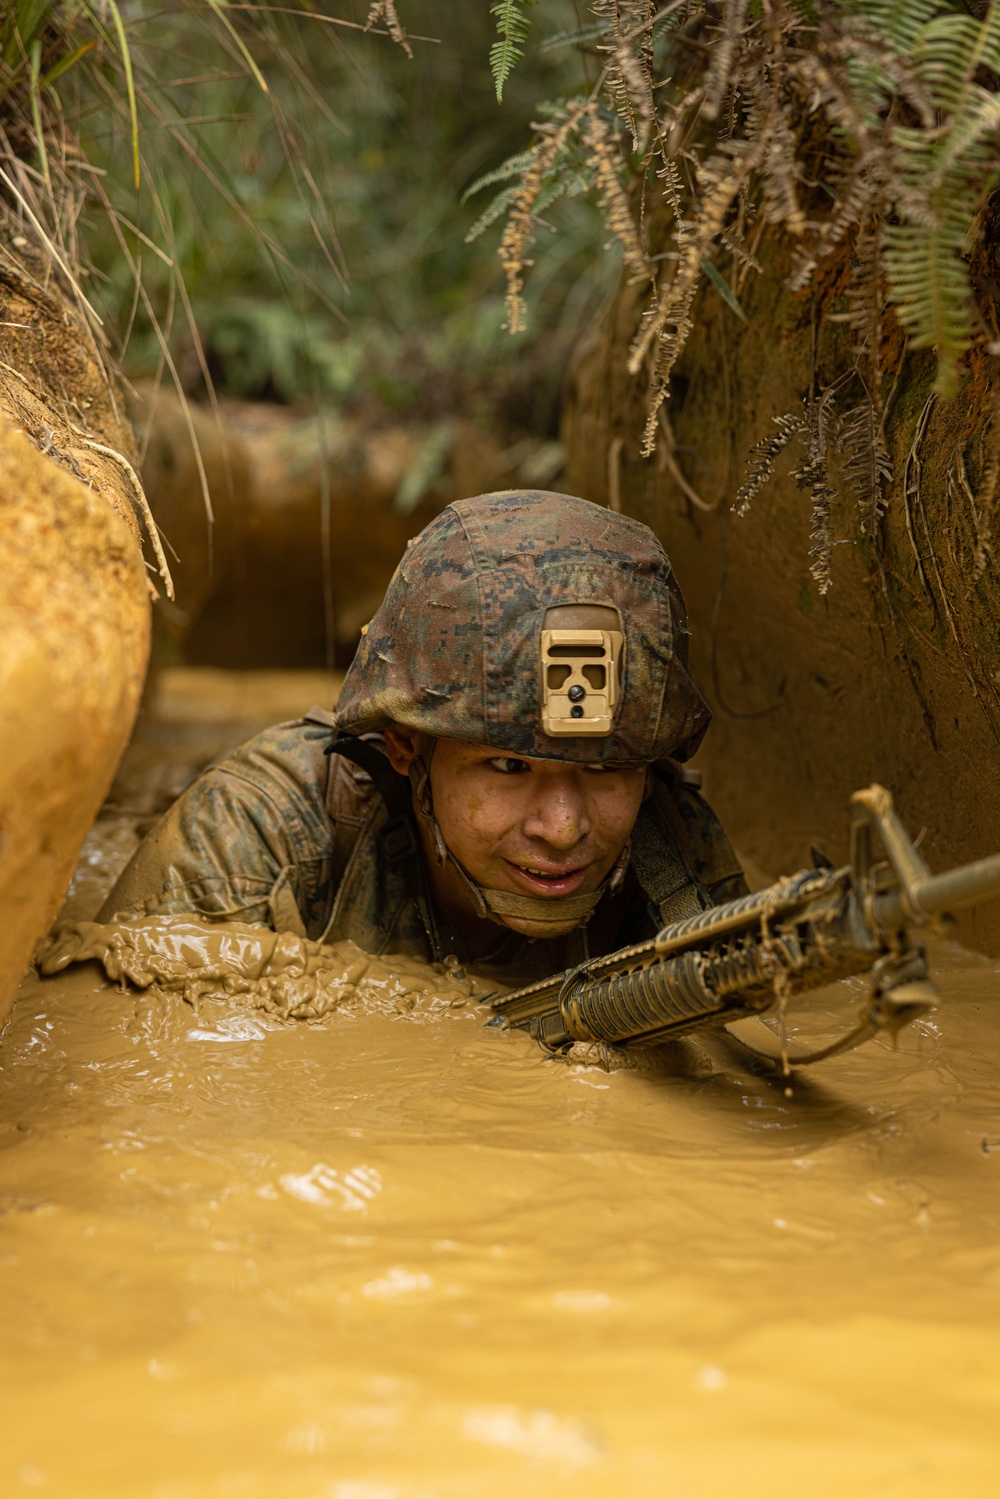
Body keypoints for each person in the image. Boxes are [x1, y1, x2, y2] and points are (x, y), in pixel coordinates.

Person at [100, 490, 746, 985]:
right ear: (407, 744)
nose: (563, 826)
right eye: (509, 766)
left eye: (608, 770)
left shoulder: (671, 845)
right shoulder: (256, 836)